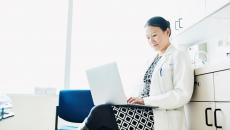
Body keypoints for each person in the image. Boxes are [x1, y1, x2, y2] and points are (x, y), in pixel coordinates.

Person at [79, 16, 194, 130]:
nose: (151, 41)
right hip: (144, 110)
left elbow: (182, 95)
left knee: (100, 112)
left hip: (159, 116)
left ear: (167, 31)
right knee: (103, 119)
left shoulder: (179, 55)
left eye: (154, 35)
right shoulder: (150, 61)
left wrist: (145, 101)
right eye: (148, 37)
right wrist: (129, 100)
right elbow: (143, 89)